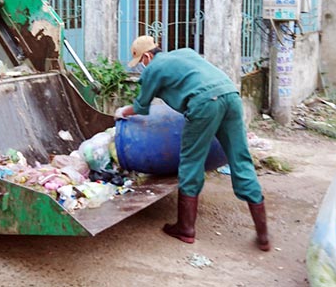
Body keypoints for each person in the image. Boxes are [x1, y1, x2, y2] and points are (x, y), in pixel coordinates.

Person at [114, 36, 270, 251]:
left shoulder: (153, 68)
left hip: (204, 103)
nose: (142, 66)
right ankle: (263, 235)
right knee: (240, 157)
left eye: (141, 61)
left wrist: (122, 112)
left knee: (191, 161)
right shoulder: (185, 53)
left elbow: (142, 107)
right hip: (231, 95)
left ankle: (186, 228)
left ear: (147, 56)